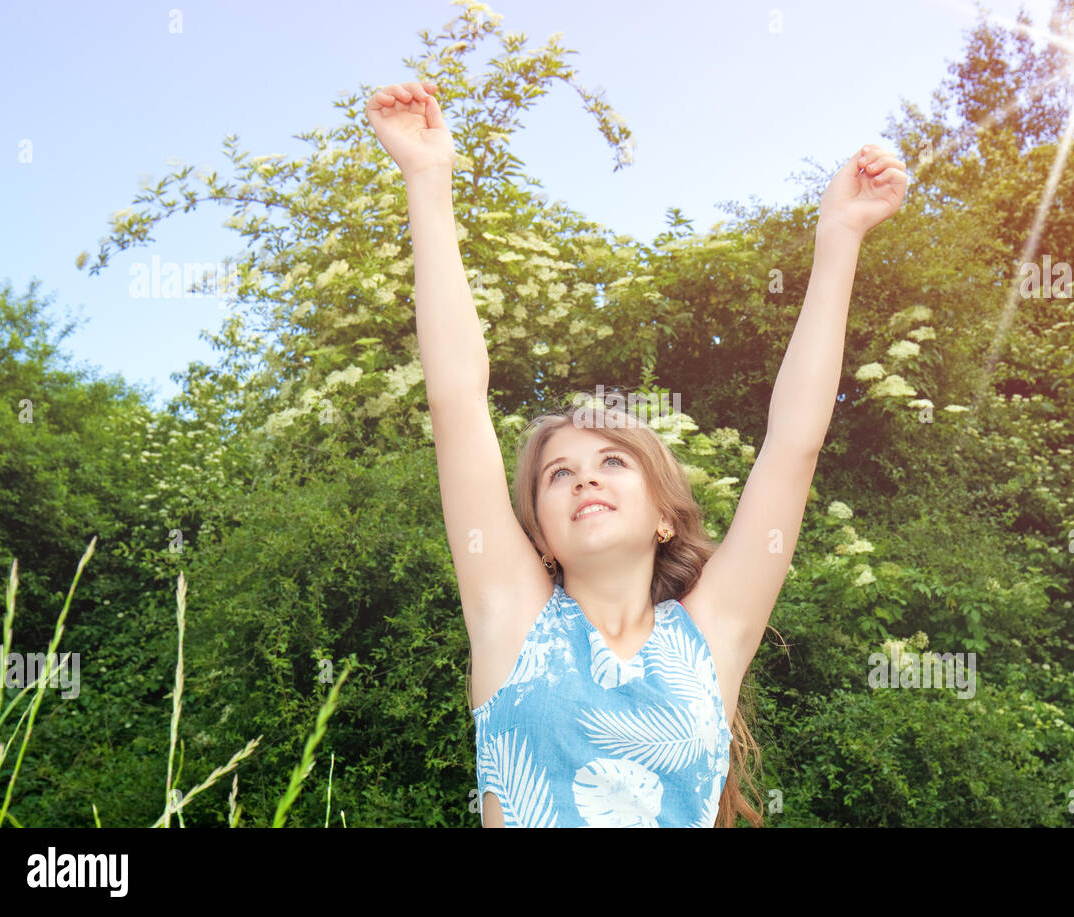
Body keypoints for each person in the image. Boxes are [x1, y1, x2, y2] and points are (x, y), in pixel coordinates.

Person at [366, 80, 908, 826]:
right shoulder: (513, 619)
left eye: (613, 461)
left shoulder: (711, 637)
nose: (584, 474)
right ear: (541, 536)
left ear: (663, 515)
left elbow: (794, 443)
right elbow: (457, 403)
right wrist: (427, 180)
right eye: (559, 473)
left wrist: (839, 237)